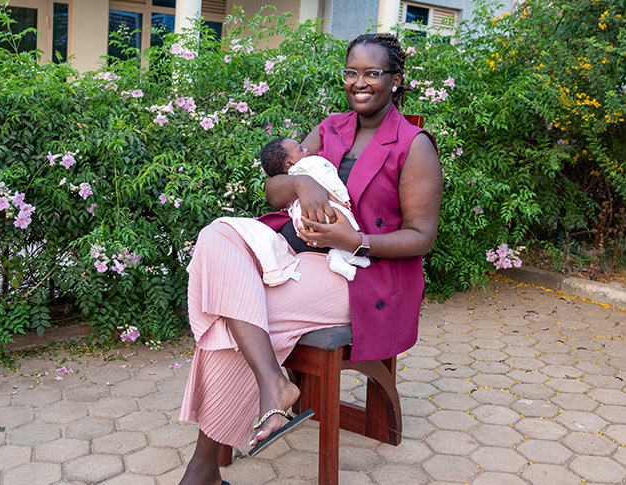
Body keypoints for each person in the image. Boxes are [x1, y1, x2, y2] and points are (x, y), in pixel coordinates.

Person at [178, 33, 443, 485]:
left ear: (396, 80)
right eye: (352, 72)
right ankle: (273, 386)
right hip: (300, 251)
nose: (360, 83)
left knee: (238, 318)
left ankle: (203, 471)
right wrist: (303, 184)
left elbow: (422, 237)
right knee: (216, 234)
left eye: (373, 73)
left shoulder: (413, 145)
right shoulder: (329, 129)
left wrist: (354, 239)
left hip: (362, 274)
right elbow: (275, 189)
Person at [259, 136, 370, 280]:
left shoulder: (290, 175)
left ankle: (337, 257)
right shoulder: (309, 164)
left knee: (329, 236)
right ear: (289, 163)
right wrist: (343, 198)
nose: (307, 151)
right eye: (301, 149)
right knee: (342, 223)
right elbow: (329, 179)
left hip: (301, 224)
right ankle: (348, 254)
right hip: (322, 213)